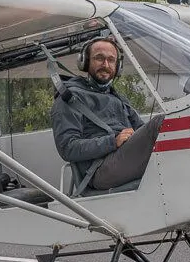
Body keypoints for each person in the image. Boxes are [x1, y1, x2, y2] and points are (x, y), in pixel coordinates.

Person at [50, 37, 163, 193]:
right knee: (160, 123)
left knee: (170, 127)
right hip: (99, 170)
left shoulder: (119, 99)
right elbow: (67, 148)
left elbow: (143, 131)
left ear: (118, 67)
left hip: (123, 160)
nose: (106, 65)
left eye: (111, 60)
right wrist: (112, 141)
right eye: (99, 58)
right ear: (84, 62)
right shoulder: (70, 98)